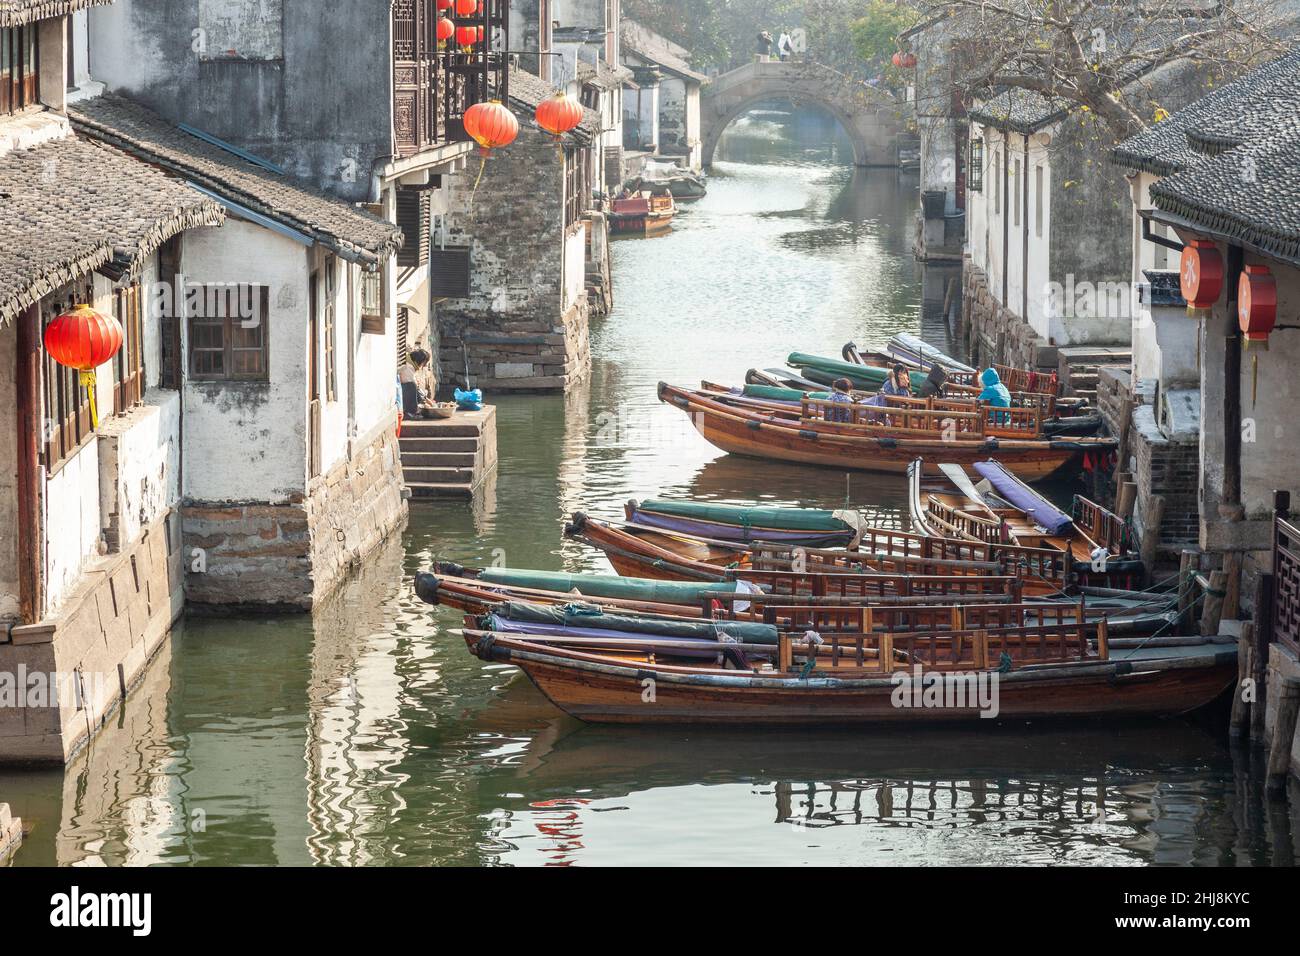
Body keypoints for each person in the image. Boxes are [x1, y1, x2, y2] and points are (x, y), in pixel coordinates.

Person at [400, 348, 438, 418]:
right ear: (421, 361)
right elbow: (413, 387)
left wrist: (426, 399)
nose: (423, 366)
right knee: (411, 386)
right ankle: (410, 412)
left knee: (414, 386)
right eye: (424, 363)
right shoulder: (407, 367)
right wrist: (426, 400)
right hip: (401, 392)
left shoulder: (409, 365)